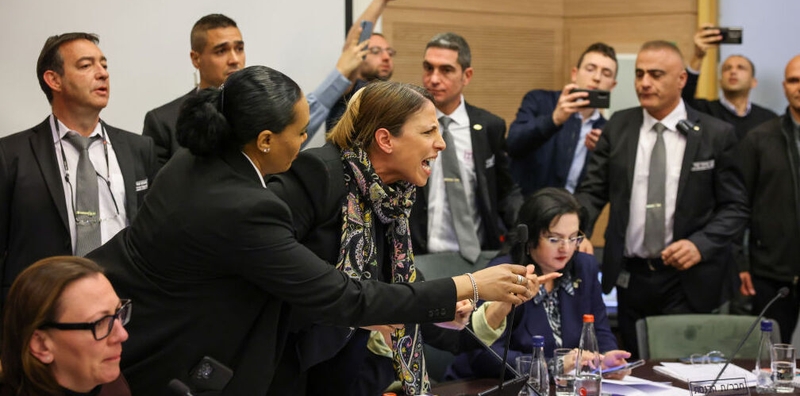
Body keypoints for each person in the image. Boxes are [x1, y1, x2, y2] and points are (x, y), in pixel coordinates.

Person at [87, 66, 536, 396]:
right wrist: (473, 283)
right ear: (265, 140)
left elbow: (373, 285)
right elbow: (337, 294)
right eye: (301, 132)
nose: (308, 143)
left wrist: (436, 308)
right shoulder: (273, 195)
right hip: (202, 357)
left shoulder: (197, 161)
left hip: (305, 353)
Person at [269, 81, 552, 395]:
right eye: (429, 132)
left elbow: (403, 298)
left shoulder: (393, 202)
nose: (441, 143)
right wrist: (471, 283)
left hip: (344, 377)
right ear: (386, 140)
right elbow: (284, 283)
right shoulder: (319, 174)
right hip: (285, 371)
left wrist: (460, 309)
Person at [574, 40, 749, 358]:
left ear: (681, 79)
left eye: (655, 74)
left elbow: (735, 207)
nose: (644, 83)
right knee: (636, 367)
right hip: (631, 277)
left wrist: (701, 244)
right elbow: (592, 191)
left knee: (684, 372)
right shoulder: (619, 126)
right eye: (639, 74)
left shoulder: (714, 133)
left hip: (689, 280)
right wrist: (578, 230)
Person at [0, 33, 156, 309]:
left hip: (126, 307)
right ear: (54, 80)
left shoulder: (138, 148)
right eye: (86, 65)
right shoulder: (11, 155)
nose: (102, 74)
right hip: (45, 309)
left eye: (104, 65)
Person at [445, 188, 630, 381]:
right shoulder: (503, 274)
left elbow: (599, 329)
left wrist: (606, 359)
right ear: (531, 237)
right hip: (485, 386)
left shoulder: (584, 267)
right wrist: (551, 366)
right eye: (554, 239)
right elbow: (485, 355)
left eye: (573, 237)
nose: (565, 248)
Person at [142, 14, 364, 167]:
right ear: (196, 58)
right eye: (221, 51)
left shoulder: (265, 109)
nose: (235, 59)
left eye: (239, 48)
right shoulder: (163, 121)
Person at [412, 32, 523, 262]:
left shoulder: (490, 126)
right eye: (428, 68)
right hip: (419, 257)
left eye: (446, 70)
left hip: (477, 255)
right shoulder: (407, 125)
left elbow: (505, 190)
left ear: (467, 75)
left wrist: (522, 232)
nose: (433, 79)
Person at [0, 256, 131, 396]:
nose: (123, 335)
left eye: (118, 312)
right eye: (99, 322)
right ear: (41, 345)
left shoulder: (113, 387)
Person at [737, 54, 800, 343]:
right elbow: (739, 205)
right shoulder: (760, 138)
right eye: (794, 80)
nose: (799, 86)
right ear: (785, 86)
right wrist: (742, 262)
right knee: (771, 356)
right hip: (772, 274)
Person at [507, 42, 617, 197]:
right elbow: (512, 144)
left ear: (612, 85)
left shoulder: (609, 130)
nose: (597, 78)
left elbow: (602, 188)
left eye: (606, 73)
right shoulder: (539, 100)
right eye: (590, 69)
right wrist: (554, 119)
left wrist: (603, 152)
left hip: (570, 215)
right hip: (524, 210)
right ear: (574, 74)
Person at [324, 0, 423, 132]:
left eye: (389, 52)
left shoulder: (392, 95)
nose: (386, 57)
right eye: (376, 51)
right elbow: (353, 46)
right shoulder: (350, 90)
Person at [682, 25, 776, 140]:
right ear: (720, 82)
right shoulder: (704, 111)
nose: (733, 71)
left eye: (741, 68)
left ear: (753, 82)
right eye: (727, 68)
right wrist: (698, 56)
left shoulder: (768, 119)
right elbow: (682, 98)